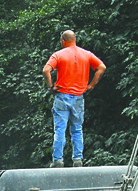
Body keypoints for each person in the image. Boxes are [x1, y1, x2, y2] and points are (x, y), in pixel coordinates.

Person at [42, 30, 106, 168]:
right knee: (77, 129)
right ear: (75, 39)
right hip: (78, 97)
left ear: (63, 41)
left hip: (62, 96)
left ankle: (58, 160)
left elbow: (46, 70)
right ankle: (78, 159)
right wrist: (91, 85)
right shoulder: (87, 54)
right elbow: (101, 67)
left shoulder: (59, 55)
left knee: (60, 129)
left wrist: (50, 87)